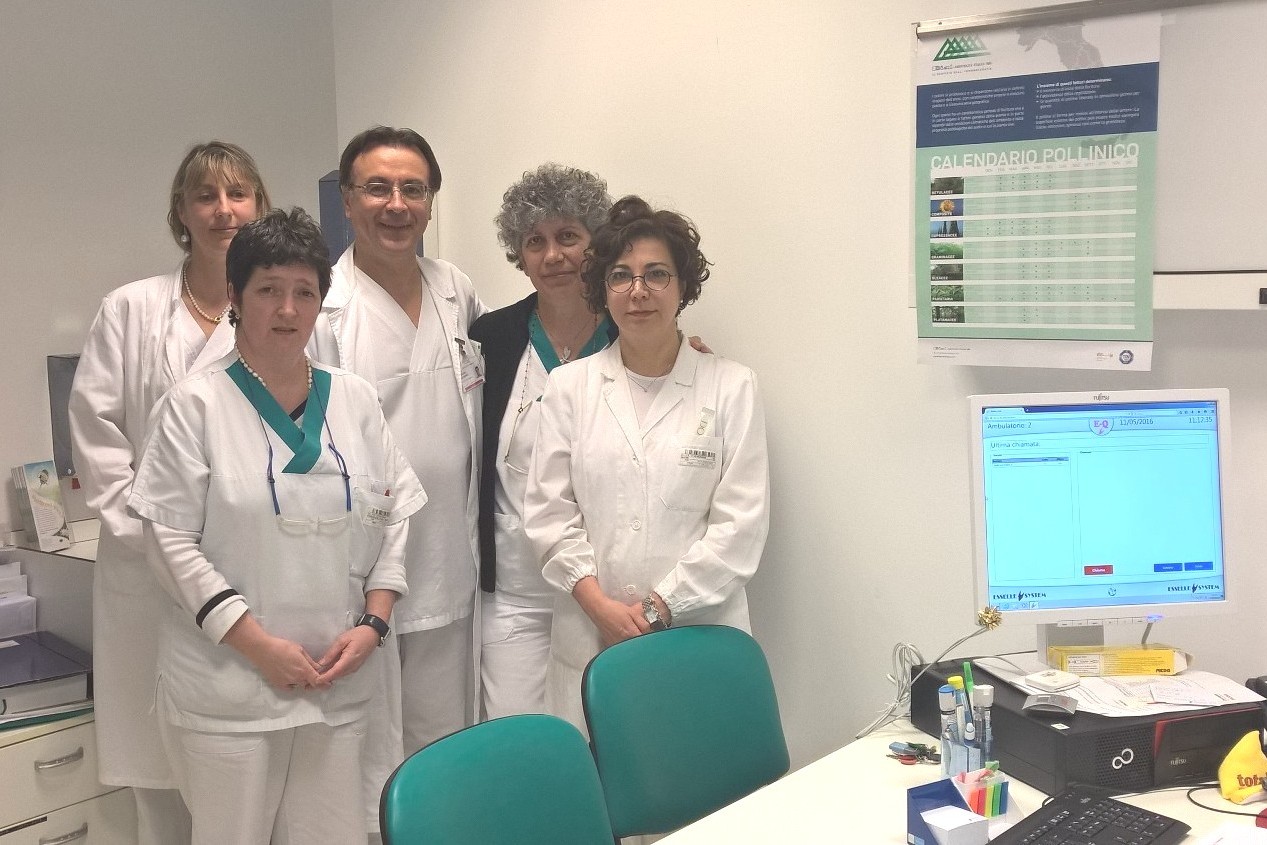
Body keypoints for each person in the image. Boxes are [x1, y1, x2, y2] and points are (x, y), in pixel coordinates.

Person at [128, 208, 426, 845]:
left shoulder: (355, 400)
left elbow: (393, 511)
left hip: (335, 680)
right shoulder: (193, 407)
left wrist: (373, 623)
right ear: (235, 297)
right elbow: (170, 544)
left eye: (304, 292)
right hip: (230, 693)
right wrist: (259, 647)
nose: (287, 310)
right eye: (268, 290)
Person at [68, 140, 271, 845]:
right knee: (157, 775)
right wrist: (150, 534)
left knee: (246, 774)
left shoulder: (276, 309)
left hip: (246, 564)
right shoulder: (130, 309)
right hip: (144, 565)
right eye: (206, 196)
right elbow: (95, 429)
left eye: (238, 194)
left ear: (259, 206)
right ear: (181, 211)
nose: (224, 210)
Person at [523, 196, 771, 731]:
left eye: (656, 274)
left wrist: (660, 607)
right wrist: (599, 606)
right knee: (597, 773)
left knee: (698, 773)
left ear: (683, 287)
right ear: (603, 289)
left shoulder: (732, 386)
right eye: (621, 276)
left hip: (699, 633)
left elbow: (740, 527)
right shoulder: (569, 387)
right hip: (590, 635)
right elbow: (548, 514)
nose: (638, 291)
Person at [307, 126, 485, 832]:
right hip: (363, 575)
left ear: (431, 200)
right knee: (367, 757)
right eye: (377, 188)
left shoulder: (455, 290)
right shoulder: (323, 305)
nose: (396, 203)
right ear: (348, 201)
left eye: (412, 188)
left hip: (450, 561)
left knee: (443, 752)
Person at [471, 163, 615, 718]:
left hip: (604, 590)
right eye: (535, 242)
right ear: (520, 254)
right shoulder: (492, 338)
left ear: (596, 244)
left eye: (568, 237)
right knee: (520, 740)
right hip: (515, 593)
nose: (553, 256)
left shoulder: (629, 336)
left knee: (602, 738)